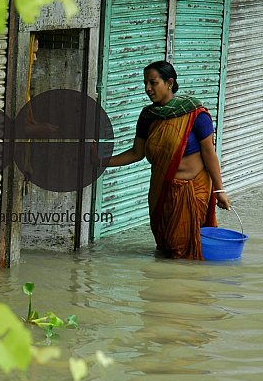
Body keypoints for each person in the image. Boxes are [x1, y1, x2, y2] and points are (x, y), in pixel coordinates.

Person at [93, 61, 231, 259]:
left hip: (192, 191)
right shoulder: (148, 117)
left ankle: (187, 288)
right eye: (145, 84)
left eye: (153, 82)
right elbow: (136, 153)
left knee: (181, 251)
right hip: (162, 192)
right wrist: (101, 161)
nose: (148, 88)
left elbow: (209, 153)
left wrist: (219, 191)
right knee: (166, 248)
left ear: (169, 83)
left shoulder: (194, 114)